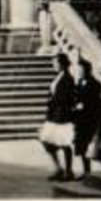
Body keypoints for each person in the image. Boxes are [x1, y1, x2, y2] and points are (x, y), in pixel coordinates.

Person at [37, 53, 77, 181]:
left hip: (62, 115)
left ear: (62, 64)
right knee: (46, 141)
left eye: (55, 63)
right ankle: (59, 168)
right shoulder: (59, 77)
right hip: (54, 114)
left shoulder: (67, 78)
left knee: (64, 143)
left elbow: (64, 98)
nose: (53, 65)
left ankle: (69, 171)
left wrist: (52, 101)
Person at [70, 58, 101, 180]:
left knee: (89, 145)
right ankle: (86, 171)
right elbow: (76, 96)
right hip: (80, 119)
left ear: (87, 70)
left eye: (81, 70)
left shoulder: (95, 83)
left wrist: (84, 105)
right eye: (78, 70)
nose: (79, 72)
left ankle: (95, 171)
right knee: (81, 146)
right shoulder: (79, 82)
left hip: (90, 118)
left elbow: (96, 101)